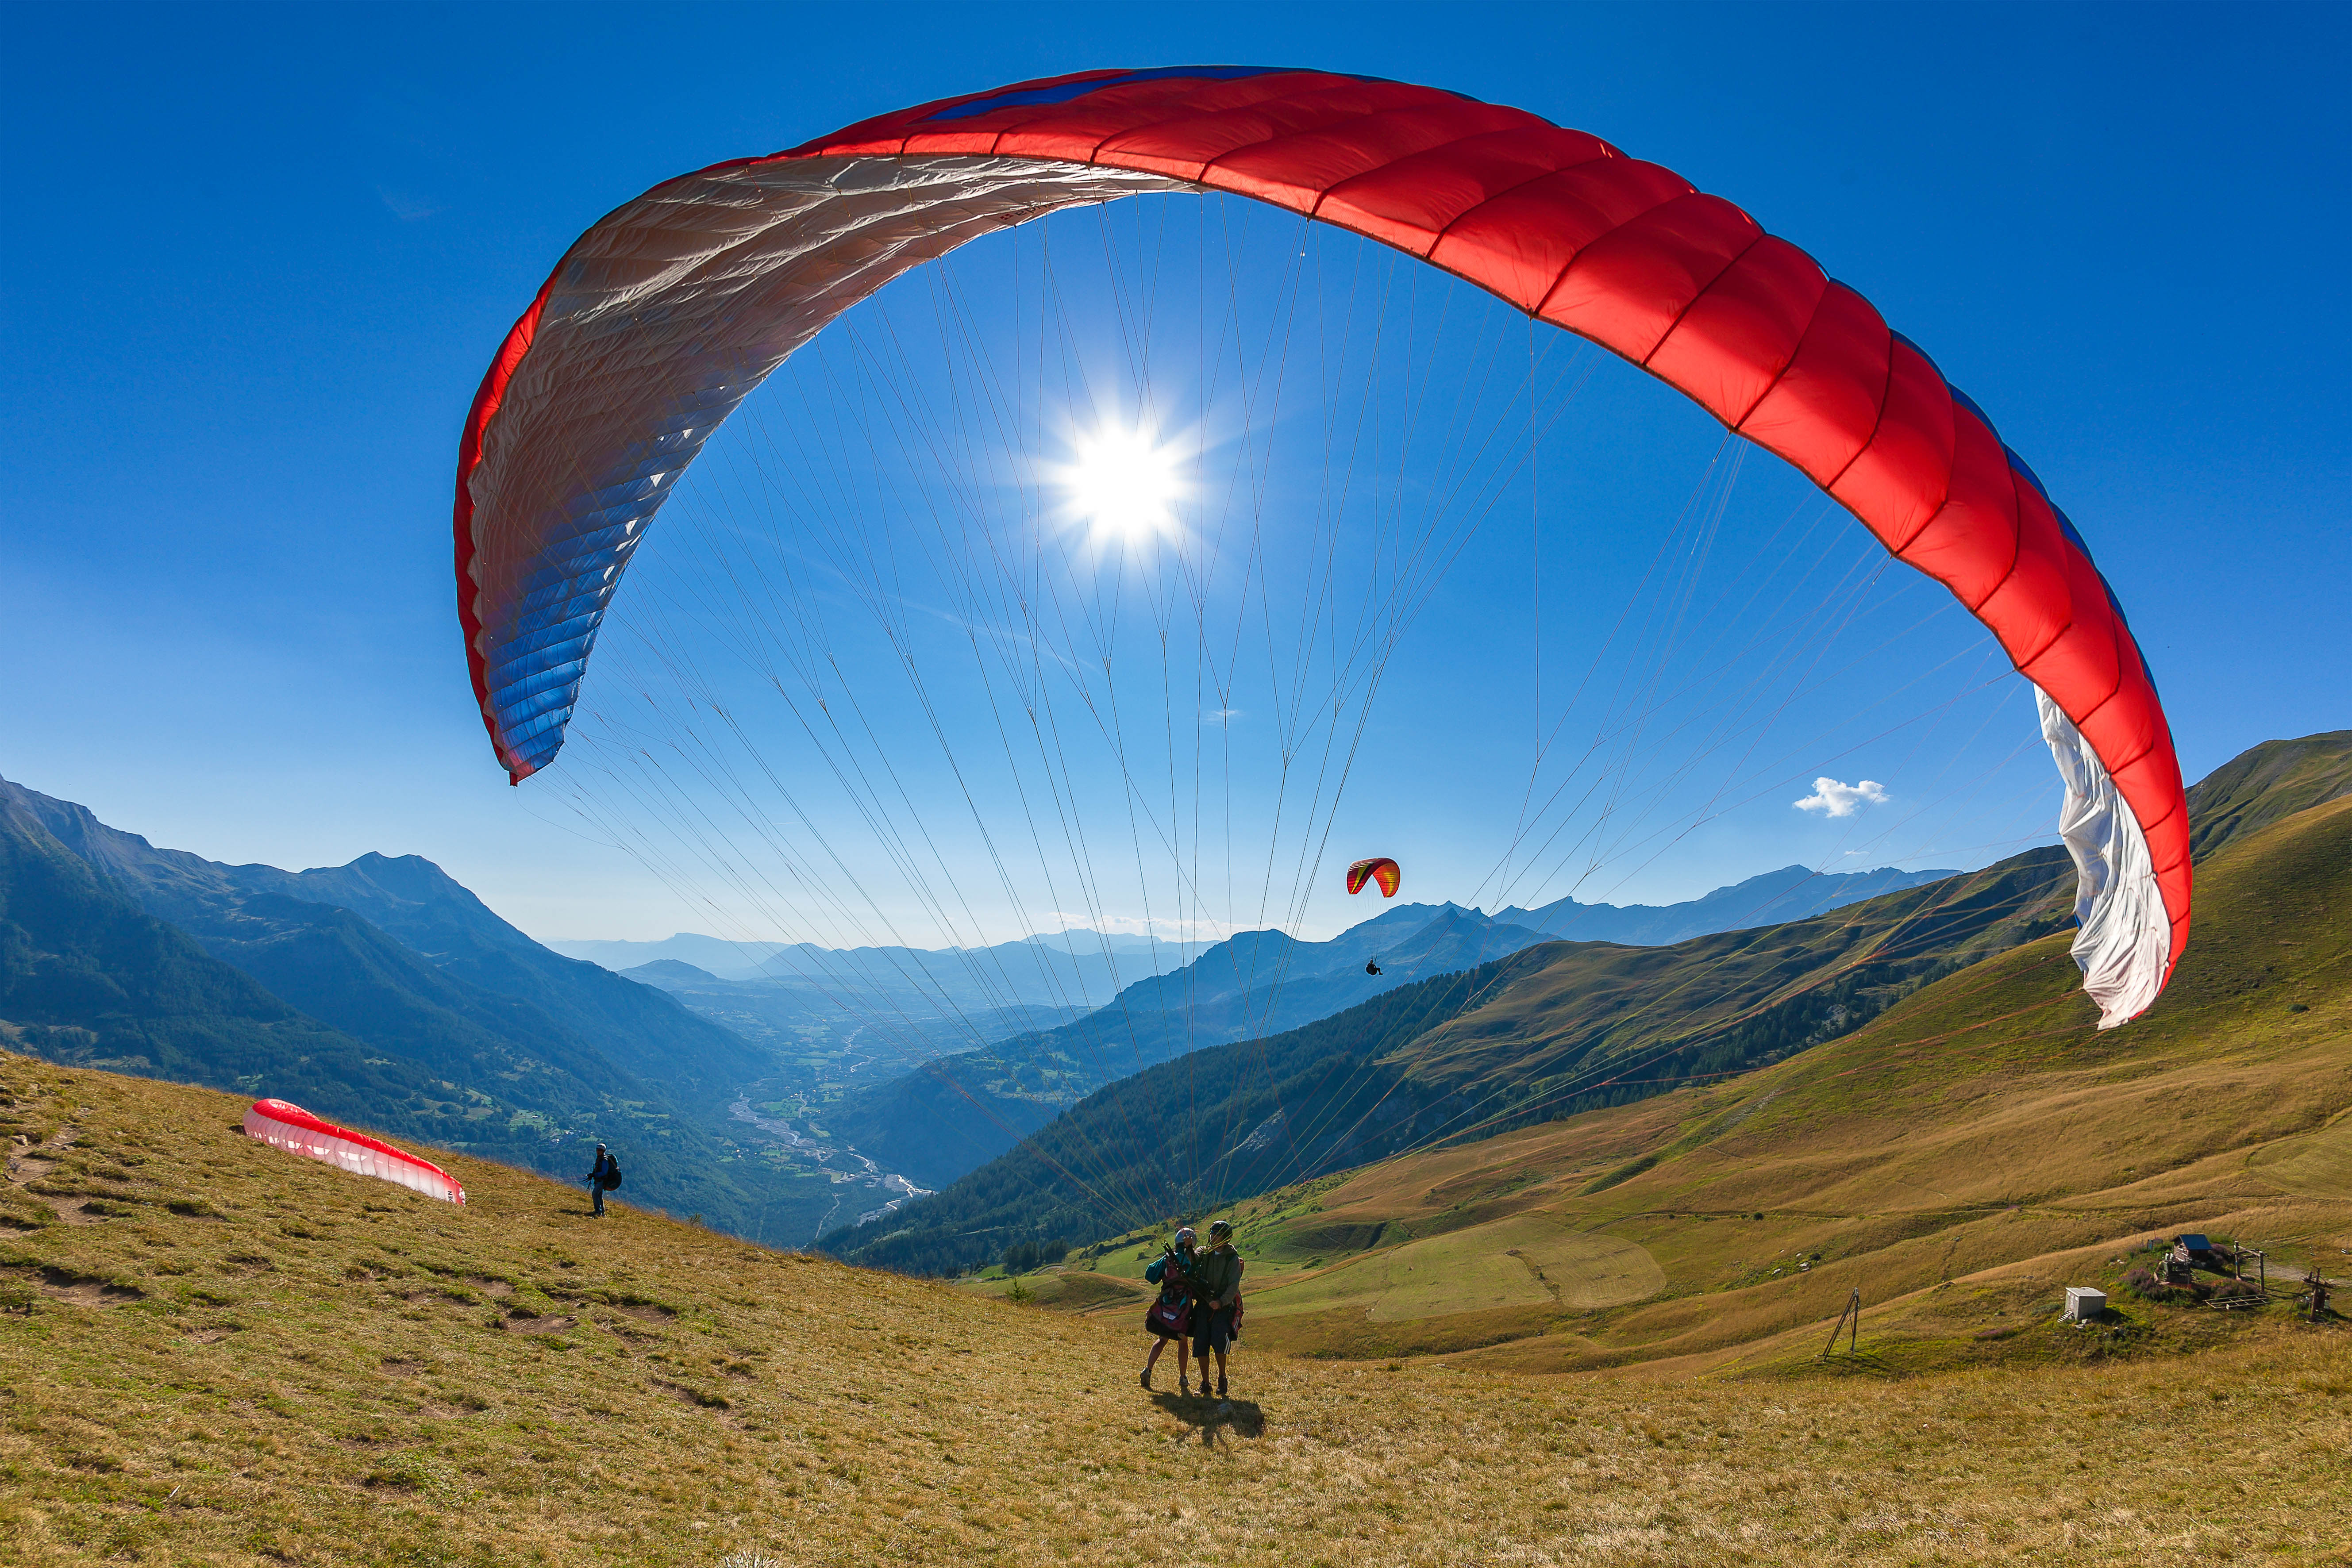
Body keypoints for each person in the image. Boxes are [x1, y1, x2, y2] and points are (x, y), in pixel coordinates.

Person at [1189, 1218, 1245, 1401]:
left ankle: (1222, 1377)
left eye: (1217, 1234)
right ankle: (1205, 1383)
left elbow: (1233, 1286)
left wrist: (1221, 1302)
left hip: (1222, 1306)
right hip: (1204, 1304)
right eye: (1212, 1234)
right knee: (1201, 1341)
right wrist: (1188, 1247)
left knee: (1219, 1339)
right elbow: (1192, 1260)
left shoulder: (1232, 1259)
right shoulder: (1204, 1253)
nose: (1213, 1237)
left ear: (1226, 1238)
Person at [1141, 1226, 1199, 1393]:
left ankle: (1148, 1369)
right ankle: (1183, 1378)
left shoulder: (1167, 1259)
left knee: (1163, 1339)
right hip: (1182, 1309)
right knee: (1183, 1342)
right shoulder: (1191, 1262)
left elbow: (1150, 1275)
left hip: (1166, 1304)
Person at [584, 1143, 617, 1217]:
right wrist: (593, 1175)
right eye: (597, 1150)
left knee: (595, 1194)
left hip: (602, 1181)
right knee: (599, 1196)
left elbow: (604, 1172)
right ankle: (602, 1212)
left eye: (600, 1150)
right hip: (598, 1180)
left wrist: (594, 1175)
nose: (598, 1152)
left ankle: (598, 1212)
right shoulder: (599, 1159)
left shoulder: (605, 1160)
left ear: (604, 1151)